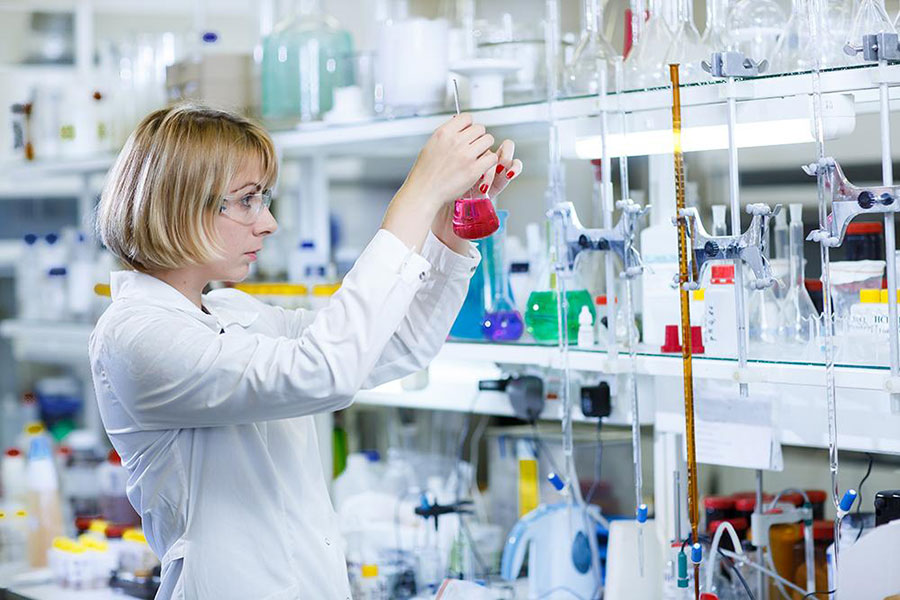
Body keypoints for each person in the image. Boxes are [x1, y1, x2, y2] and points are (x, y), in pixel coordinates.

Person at [88, 103, 522, 599]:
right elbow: (325, 371)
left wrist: (447, 222)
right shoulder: (135, 336)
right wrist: (418, 194)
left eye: (263, 199)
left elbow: (397, 341)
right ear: (180, 205)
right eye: (247, 200)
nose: (268, 223)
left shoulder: (236, 313)